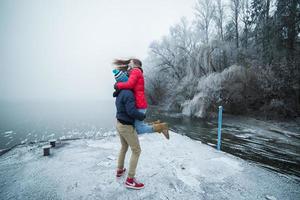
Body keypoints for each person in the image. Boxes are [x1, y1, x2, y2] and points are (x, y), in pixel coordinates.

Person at [113, 59, 169, 139]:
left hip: (139, 104)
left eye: (130, 62)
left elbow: (130, 84)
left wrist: (118, 86)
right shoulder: (135, 72)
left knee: (139, 129)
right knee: (138, 125)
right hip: (139, 103)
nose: (129, 64)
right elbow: (127, 80)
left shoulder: (136, 71)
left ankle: (161, 127)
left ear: (135, 64)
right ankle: (156, 124)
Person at [114, 70, 145, 189]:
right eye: (128, 78)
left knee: (124, 147)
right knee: (136, 150)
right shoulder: (128, 93)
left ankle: (120, 170)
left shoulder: (120, 92)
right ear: (124, 80)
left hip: (119, 124)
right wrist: (142, 116)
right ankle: (130, 180)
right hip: (126, 126)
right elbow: (131, 111)